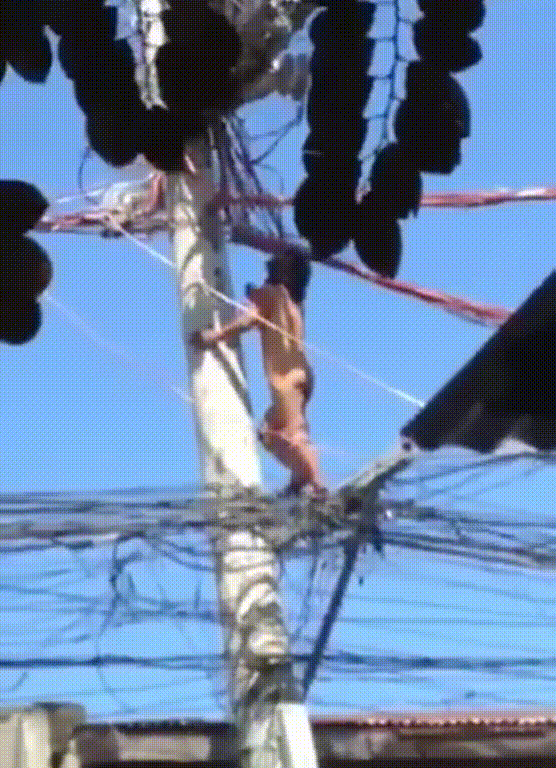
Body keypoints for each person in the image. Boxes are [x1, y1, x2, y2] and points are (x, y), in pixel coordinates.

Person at [190, 254, 326, 498]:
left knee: (294, 433)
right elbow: (260, 304)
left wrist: (216, 335)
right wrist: (253, 293)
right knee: (269, 432)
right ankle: (299, 477)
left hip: (286, 380)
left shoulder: (273, 294)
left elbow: (248, 318)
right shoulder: (293, 302)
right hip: (300, 376)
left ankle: (318, 485)